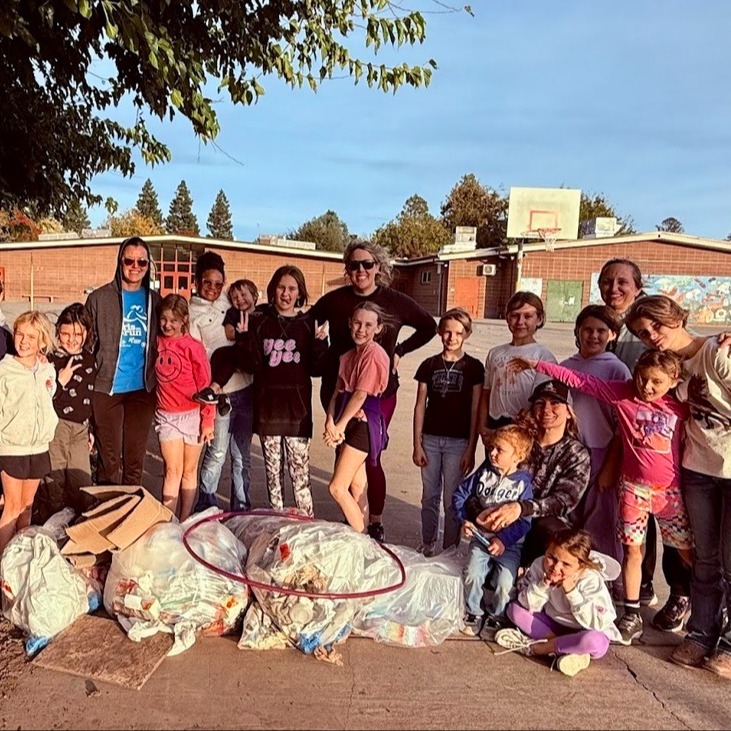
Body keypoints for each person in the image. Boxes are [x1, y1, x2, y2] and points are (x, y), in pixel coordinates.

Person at [511, 349, 694, 644]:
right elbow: (580, 381)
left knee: (686, 551)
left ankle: (706, 602)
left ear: (673, 380)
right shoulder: (624, 396)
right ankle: (632, 612)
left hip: (669, 492)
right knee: (633, 551)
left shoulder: (680, 408)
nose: (646, 387)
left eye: (655, 382)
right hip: (634, 489)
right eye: (642, 379)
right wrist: (537, 364)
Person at [625, 295, 731, 676]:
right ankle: (701, 634)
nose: (652, 335)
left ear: (677, 318)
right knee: (704, 559)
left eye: (658, 325)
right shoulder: (672, 367)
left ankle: (730, 643)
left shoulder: (716, 353)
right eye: (642, 332)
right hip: (697, 470)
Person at [311, 240, 437, 542]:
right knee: (346, 459)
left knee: (369, 455)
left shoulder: (395, 301)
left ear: (378, 268)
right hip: (340, 390)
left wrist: (401, 351)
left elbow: (428, 326)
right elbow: (307, 323)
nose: (361, 270)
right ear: (347, 270)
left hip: (375, 396)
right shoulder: (334, 301)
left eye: (367, 264)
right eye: (354, 265)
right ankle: (354, 517)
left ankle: (372, 522)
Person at [597, 258, 692, 624]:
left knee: (677, 537)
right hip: (632, 456)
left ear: (638, 287)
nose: (614, 288)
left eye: (622, 282)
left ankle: (682, 596)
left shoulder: (659, 336)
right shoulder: (615, 335)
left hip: (673, 459)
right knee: (639, 536)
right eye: (607, 282)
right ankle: (643, 589)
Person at [232, 266, 329, 516]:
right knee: (273, 479)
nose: (286, 294)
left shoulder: (309, 324)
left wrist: (320, 343)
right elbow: (251, 365)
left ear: (300, 292)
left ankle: (306, 526)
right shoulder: (259, 321)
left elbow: (318, 369)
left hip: (297, 414)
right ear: (273, 290)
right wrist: (243, 339)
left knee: (300, 477)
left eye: (292, 288)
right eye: (281, 287)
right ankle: (280, 525)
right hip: (268, 413)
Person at [479, 380, 591, 566]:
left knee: (546, 527)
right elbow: (482, 479)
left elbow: (563, 501)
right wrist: (477, 514)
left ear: (569, 412)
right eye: (540, 403)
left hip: (545, 528)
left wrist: (521, 508)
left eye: (555, 403)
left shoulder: (577, 453)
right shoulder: (517, 443)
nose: (547, 409)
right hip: (506, 521)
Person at [558, 305, 630, 588]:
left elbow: (623, 425)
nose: (593, 336)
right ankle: (574, 582)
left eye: (601, 331)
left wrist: (611, 466)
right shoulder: (566, 367)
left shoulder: (616, 368)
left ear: (612, 335)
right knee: (572, 519)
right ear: (578, 331)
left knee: (600, 522)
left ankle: (609, 585)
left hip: (603, 453)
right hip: (571, 455)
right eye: (588, 329)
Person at [494, 528, 622, 678]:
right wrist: (543, 584)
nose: (556, 567)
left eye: (566, 565)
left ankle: (540, 648)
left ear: (580, 565)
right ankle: (568, 650)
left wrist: (572, 592)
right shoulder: (539, 565)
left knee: (594, 642)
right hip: (553, 625)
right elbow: (527, 603)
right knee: (514, 610)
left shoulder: (590, 579)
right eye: (552, 558)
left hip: (583, 629)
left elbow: (598, 624)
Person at [86, 236, 160, 485]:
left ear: (148, 265)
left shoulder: (155, 301)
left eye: (142, 261)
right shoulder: (99, 299)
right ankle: (105, 514)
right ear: (120, 262)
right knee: (109, 461)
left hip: (142, 389)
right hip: (107, 388)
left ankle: (129, 517)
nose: (135, 266)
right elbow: (86, 346)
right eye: (129, 260)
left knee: (134, 461)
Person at [413, 308, 484, 555]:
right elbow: (420, 405)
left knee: (451, 498)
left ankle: (450, 548)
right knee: (429, 495)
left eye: (457, 333)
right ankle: (428, 541)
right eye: (447, 332)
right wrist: (417, 444)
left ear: (466, 334)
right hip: (430, 440)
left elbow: (476, 410)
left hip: (458, 443)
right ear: (439, 333)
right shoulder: (429, 365)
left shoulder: (474, 367)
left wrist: (471, 448)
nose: (451, 338)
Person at [188, 252, 255, 513]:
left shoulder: (231, 300)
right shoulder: (192, 313)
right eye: (208, 283)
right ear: (197, 281)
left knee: (242, 456)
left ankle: (241, 508)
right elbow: (196, 356)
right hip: (221, 395)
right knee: (217, 453)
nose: (214, 288)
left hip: (245, 389)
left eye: (218, 283)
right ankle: (206, 506)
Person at [452, 424, 534, 635]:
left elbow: (525, 521)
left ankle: (496, 614)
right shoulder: (483, 474)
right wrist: (465, 519)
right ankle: (473, 610)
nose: (492, 453)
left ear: (518, 456)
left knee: (505, 582)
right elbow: (460, 495)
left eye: (500, 450)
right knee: (472, 573)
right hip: (480, 538)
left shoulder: (523, 484)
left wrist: (504, 540)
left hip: (510, 546)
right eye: (492, 448)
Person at [324, 301, 390, 533]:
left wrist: (340, 426)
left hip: (363, 424)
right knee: (356, 485)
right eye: (357, 323)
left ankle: (363, 537)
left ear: (378, 328)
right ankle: (360, 533)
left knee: (337, 488)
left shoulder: (374, 355)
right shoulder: (347, 356)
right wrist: (330, 422)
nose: (361, 329)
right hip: (346, 420)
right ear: (350, 324)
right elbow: (337, 393)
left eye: (369, 324)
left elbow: (361, 395)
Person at [0, 311, 58, 556]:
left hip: (38, 447)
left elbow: (48, 398)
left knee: (26, 507)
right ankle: (2, 559)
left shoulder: (47, 370)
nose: (23, 341)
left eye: (31, 337)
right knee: (12, 507)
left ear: (42, 342)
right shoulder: (4, 370)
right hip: (12, 447)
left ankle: (17, 559)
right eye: (20, 334)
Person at [34, 303, 98, 521]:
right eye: (66, 333)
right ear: (58, 331)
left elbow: (89, 398)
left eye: (78, 334)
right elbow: (40, 398)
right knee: (55, 480)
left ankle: (77, 526)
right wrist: (59, 381)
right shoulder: (49, 360)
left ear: (87, 333)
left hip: (80, 429)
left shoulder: (90, 359)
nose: (72, 339)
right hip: (57, 426)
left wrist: (91, 430)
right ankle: (51, 526)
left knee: (82, 483)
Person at [154, 295, 215, 521]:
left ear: (184, 320)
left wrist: (208, 420)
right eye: (163, 319)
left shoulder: (193, 347)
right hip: (167, 415)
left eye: (173, 320)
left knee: (189, 471)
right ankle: (167, 520)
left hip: (192, 415)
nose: (167, 325)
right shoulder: (157, 342)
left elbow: (205, 386)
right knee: (172, 470)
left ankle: (185, 518)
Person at [477, 291, 556, 440]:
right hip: (495, 423)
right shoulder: (495, 353)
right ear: (507, 317)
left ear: (539, 319)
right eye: (515, 315)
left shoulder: (543, 356)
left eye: (527, 316)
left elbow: (543, 401)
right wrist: (483, 426)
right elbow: (486, 393)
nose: (520, 322)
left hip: (524, 428)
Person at [193, 278, 260, 415]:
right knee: (221, 354)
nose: (239, 299)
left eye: (243, 295)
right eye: (235, 297)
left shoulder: (263, 312)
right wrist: (241, 333)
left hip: (260, 357)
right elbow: (229, 333)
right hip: (244, 352)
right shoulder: (234, 313)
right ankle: (215, 390)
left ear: (254, 295)